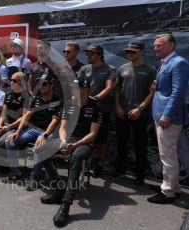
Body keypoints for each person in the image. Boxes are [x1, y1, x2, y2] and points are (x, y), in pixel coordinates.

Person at [40, 76, 102, 227]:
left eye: (77, 88)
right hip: (68, 139)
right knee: (41, 149)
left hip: (85, 142)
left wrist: (74, 145)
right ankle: (58, 187)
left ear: (85, 89)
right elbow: (62, 127)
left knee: (76, 156)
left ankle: (66, 204)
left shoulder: (95, 106)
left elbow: (93, 134)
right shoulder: (69, 104)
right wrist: (63, 142)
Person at [148, 33, 189, 204]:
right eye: (155, 45)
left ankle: (168, 192)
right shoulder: (165, 63)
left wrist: (167, 114)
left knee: (168, 155)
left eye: (159, 45)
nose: (155, 48)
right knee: (174, 153)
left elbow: (178, 92)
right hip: (163, 114)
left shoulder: (179, 62)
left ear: (171, 45)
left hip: (168, 118)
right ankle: (175, 187)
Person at [110, 40, 156, 187]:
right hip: (122, 112)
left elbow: (152, 92)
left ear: (141, 52)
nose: (129, 54)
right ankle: (119, 170)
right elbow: (117, 89)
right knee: (121, 143)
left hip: (139, 115)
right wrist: (117, 106)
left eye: (132, 51)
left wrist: (140, 109)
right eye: (127, 51)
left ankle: (140, 176)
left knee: (140, 146)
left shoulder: (150, 69)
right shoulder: (122, 68)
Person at [5, 73, 62, 191]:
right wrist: (18, 131)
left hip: (47, 132)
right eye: (39, 84)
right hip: (33, 130)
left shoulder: (58, 101)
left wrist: (45, 135)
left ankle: (35, 178)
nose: (41, 87)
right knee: (9, 141)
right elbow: (26, 117)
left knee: (38, 147)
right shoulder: (36, 99)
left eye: (44, 84)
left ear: (51, 85)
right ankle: (15, 172)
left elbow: (55, 121)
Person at [78, 44, 117, 177]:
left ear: (99, 55)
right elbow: (78, 86)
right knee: (85, 135)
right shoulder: (84, 68)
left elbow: (110, 87)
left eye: (92, 53)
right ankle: (84, 162)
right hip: (85, 109)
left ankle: (99, 163)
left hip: (102, 108)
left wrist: (95, 98)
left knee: (101, 139)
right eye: (87, 53)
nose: (88, 56)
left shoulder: (110, 69)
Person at [0, 71, 29, 181]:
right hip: (5, 124)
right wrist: (0, 124)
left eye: (14, 80)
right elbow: (3, 113)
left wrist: (8, 127)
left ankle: (12, 169)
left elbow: (24, 117)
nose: (11, 82)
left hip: (17, 127)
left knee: (1, 142)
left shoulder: (27, 97)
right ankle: (4, 162)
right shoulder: (8, 95)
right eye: (11, 80)